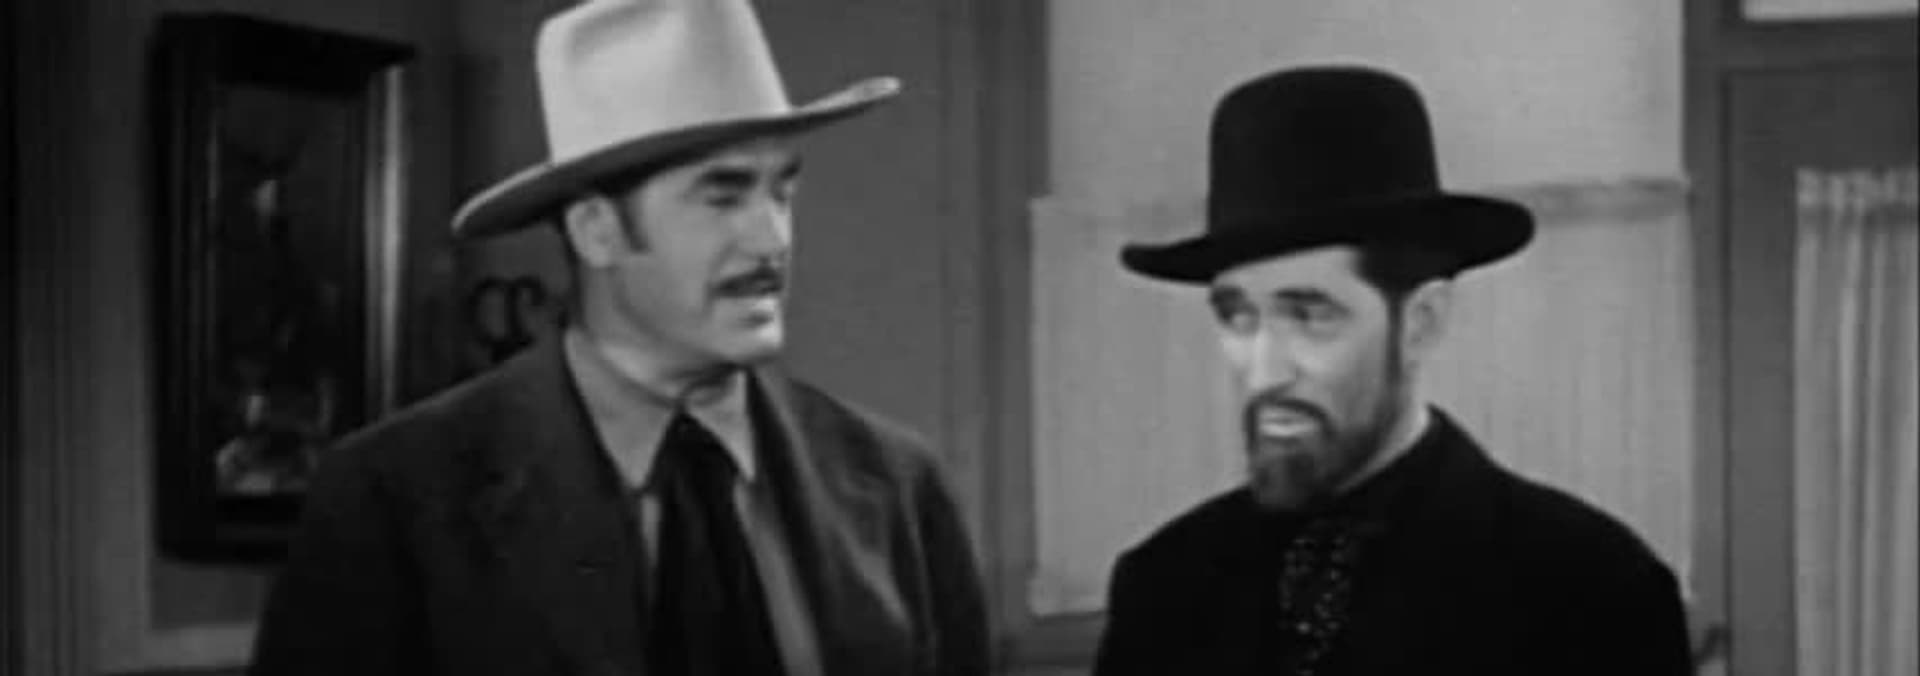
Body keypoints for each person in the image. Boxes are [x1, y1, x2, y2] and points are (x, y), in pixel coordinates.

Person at [250, 1, 988, 674]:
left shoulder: (896, 486)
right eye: (723, 196)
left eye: (782, 192)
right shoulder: (396, 500)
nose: (772, 240)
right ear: (596, 230)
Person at [1091, 66, 1695, 676]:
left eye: (1310, 315)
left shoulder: (1587, 591)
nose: (1264, 372)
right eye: (1238, 315)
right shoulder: (1165, 586)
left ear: (1421, 323)